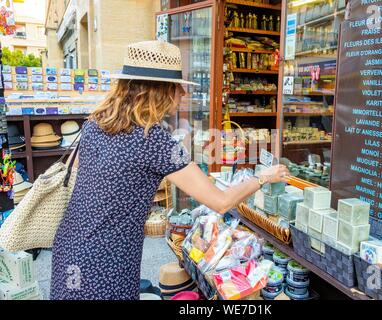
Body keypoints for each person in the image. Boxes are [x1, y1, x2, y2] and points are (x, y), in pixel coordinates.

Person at [50, 41, 289, 300]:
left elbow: (85, 177)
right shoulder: (154, 139)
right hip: (107, 263)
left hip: (69, 251)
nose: (183, 95)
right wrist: (262, 176)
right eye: (178, 87)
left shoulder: (94, 123)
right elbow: (221, 202)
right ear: (161, 90)